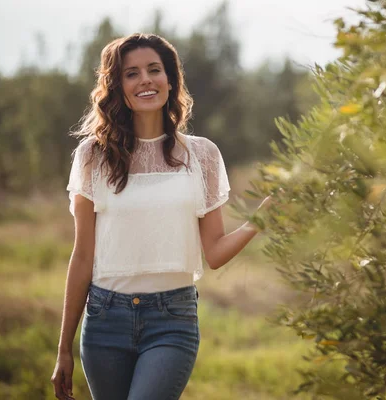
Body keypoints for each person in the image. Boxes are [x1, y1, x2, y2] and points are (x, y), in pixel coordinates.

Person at [50, 33, 271, 400]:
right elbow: (83, 256)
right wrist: (63, 349)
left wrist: (261, 220)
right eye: (131, 73)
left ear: (170, 80)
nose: (146, 80)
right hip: (105, 319)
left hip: (172, 319)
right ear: (117, 86)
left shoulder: (202, 155)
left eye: (154, 70)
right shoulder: (92, 156)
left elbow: (214, 253)